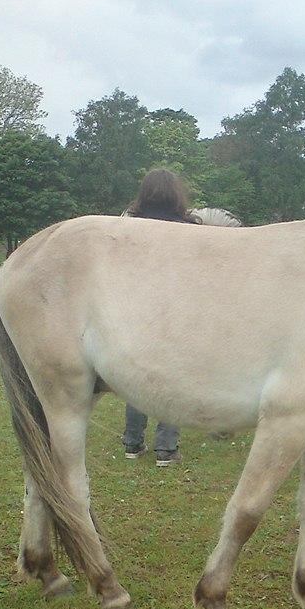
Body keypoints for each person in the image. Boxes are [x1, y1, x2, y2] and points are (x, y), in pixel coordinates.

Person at [120, 169, 202, 466]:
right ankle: (166, 449)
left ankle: (132, 443)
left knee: (136, 380)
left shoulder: (128, 228)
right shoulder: (190, 229)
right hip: (176, 315)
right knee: (173, 380)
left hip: (137, 313)